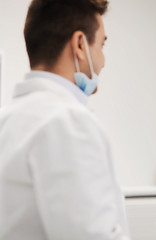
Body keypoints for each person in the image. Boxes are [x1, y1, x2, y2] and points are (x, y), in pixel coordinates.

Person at [0, 0, 130, 239]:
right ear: (80, 44)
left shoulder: (7, 119)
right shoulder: (68, 122)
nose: (103, 61)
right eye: (101, 45)